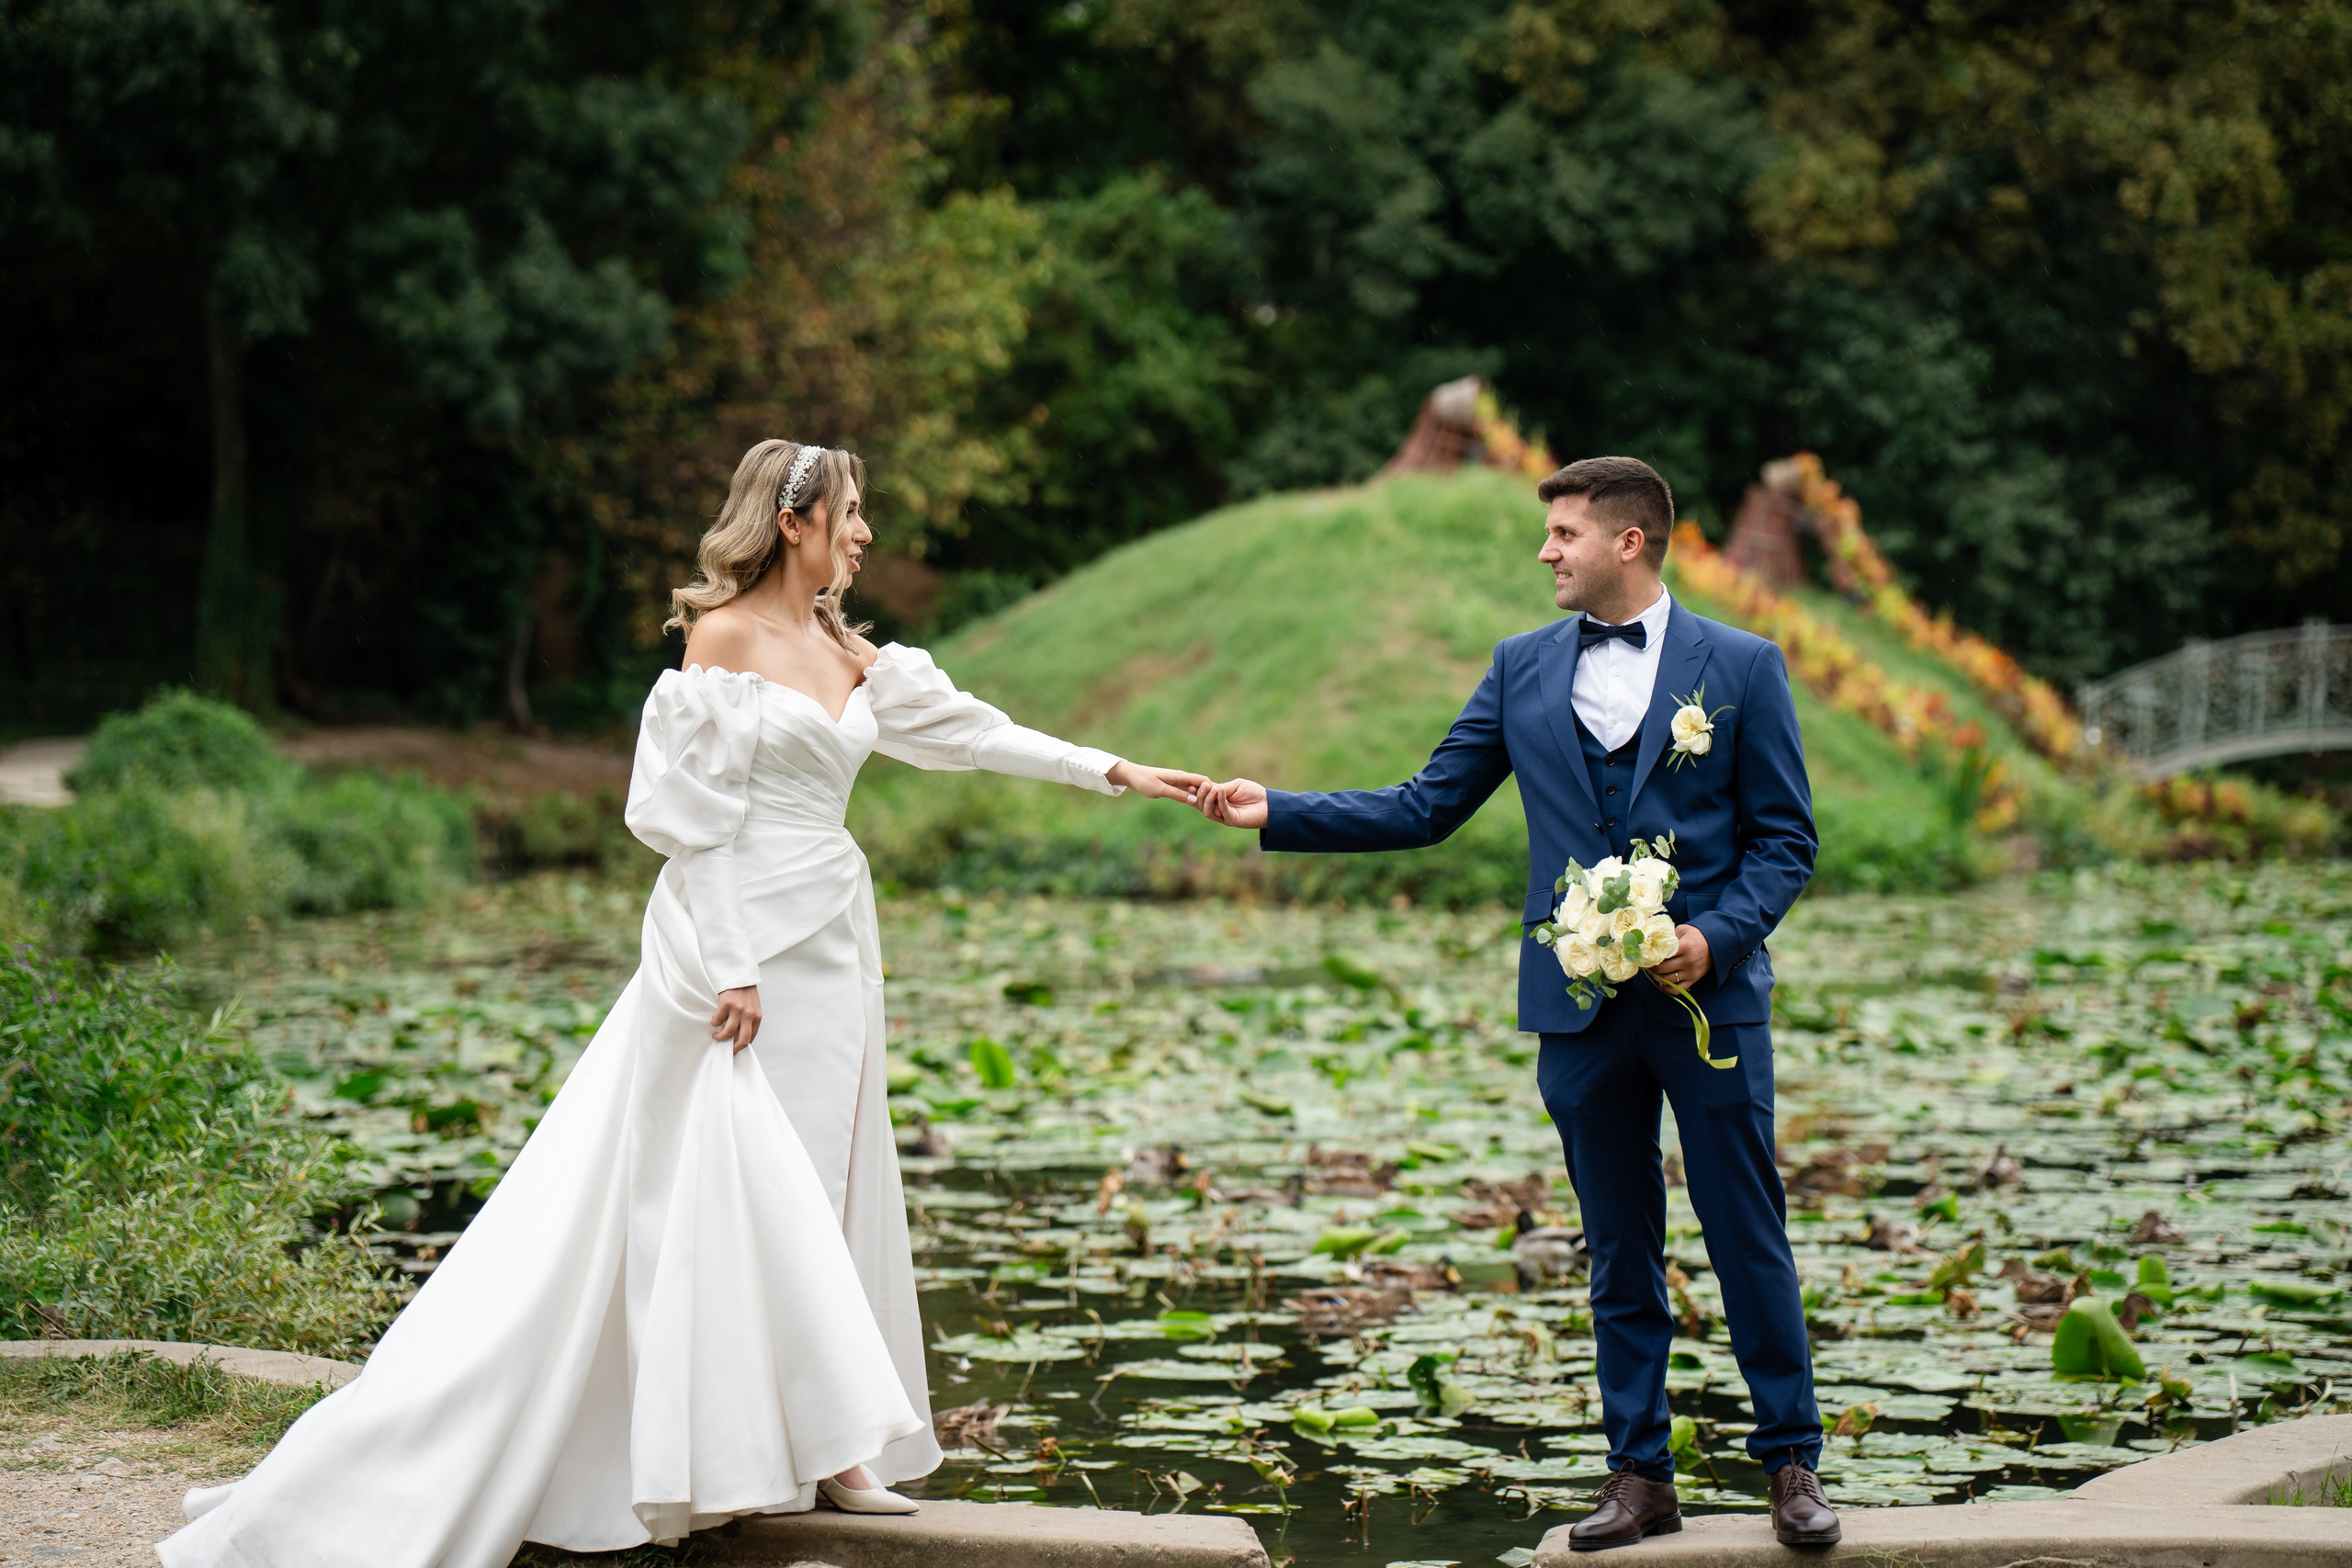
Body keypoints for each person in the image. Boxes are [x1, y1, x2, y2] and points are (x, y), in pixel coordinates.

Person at [158, 439, 1208, 1568]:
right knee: (730, 1185)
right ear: (796, 520)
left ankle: (830, 1449)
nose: (864, 536)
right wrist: (732, 962)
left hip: (831, 940)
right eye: (852, 516)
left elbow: (978, 737)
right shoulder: (723, 643)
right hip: (734, 941)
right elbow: (686, 819)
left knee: (823, 1174)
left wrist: (1117, 771)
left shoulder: (853, 652)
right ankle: (737, 1446)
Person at [1197, 457, 1839, 1551]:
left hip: (1708, 1007)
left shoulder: (1740, 666)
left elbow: (1787, 843)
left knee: (1747, 1236)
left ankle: (1791, 1468)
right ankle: (1639, 1478)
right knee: (1617, 1251)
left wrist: (1711, 938)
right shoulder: (1520, 668)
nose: (1545, 551)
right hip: (1577, 1011)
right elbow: (1426, 804)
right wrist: (1279, 810)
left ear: (1627, 542)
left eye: (1564, 533)